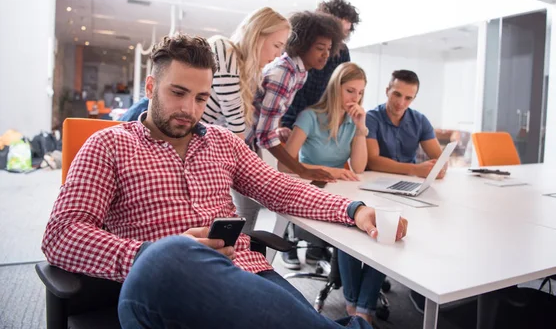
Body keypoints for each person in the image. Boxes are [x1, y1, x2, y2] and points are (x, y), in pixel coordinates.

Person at [42, 33, 408, 329]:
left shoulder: (223, 142)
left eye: (201, 98)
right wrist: (145, 253)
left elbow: (279, 189)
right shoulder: (109, 144)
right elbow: (61, 234)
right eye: (178, 93)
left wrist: (353, 208)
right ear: (151, 86)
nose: (190, 109)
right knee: (169, 254)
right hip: (162, 288)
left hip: (246, 276)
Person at [119, 7, 291, 232]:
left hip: (185, 131)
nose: (278, 55)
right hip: (154, 119)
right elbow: (234, 117)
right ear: (257, 36)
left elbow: (241, 125)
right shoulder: (224, 48)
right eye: (276, 45)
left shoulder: (248, 72)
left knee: (244, 207)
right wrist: (245, 162)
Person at [280, 62, 387, 325]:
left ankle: (363, 309)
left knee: (380, 226)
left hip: (345, 190)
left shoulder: (353, 122)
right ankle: (355, 309)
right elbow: (286, 164)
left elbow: (359, 166)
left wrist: (361, 127)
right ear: (335, 88)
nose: (355, 98)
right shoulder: (310, 116)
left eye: (360, 93)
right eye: (350, 90)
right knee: (352, 230)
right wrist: (328, 170)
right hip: (316, 191)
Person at [365, 69, 444, 313]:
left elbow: (438, 158)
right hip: (375, 186)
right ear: (387, 90)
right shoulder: (372, 117)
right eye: (397, 94)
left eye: (408, 98)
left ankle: (422, 284)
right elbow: (372, 161)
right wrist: (414, 170)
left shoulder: (418, 120)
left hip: (405, 187)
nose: (401, 102)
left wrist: (437, 167)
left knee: (434, 221)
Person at [248, 10, 345, 181]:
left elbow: (271, 111)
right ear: (302, 45)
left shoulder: (300, 73)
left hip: (250, 142)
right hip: (243, 139)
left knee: (249, 206)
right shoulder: (284, 73)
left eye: (329, 49)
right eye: (320, 48)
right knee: (248, 206)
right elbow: (264, 134)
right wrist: (302, 170)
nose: (326, 55)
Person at [280, 0, 360, 136]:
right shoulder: (296, 51)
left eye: (345, 33)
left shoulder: (342, 53)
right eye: (337, 32)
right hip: (291, 118)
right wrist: (285, 124)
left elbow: (342, 87)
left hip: (321, 122)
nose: (340, 38)